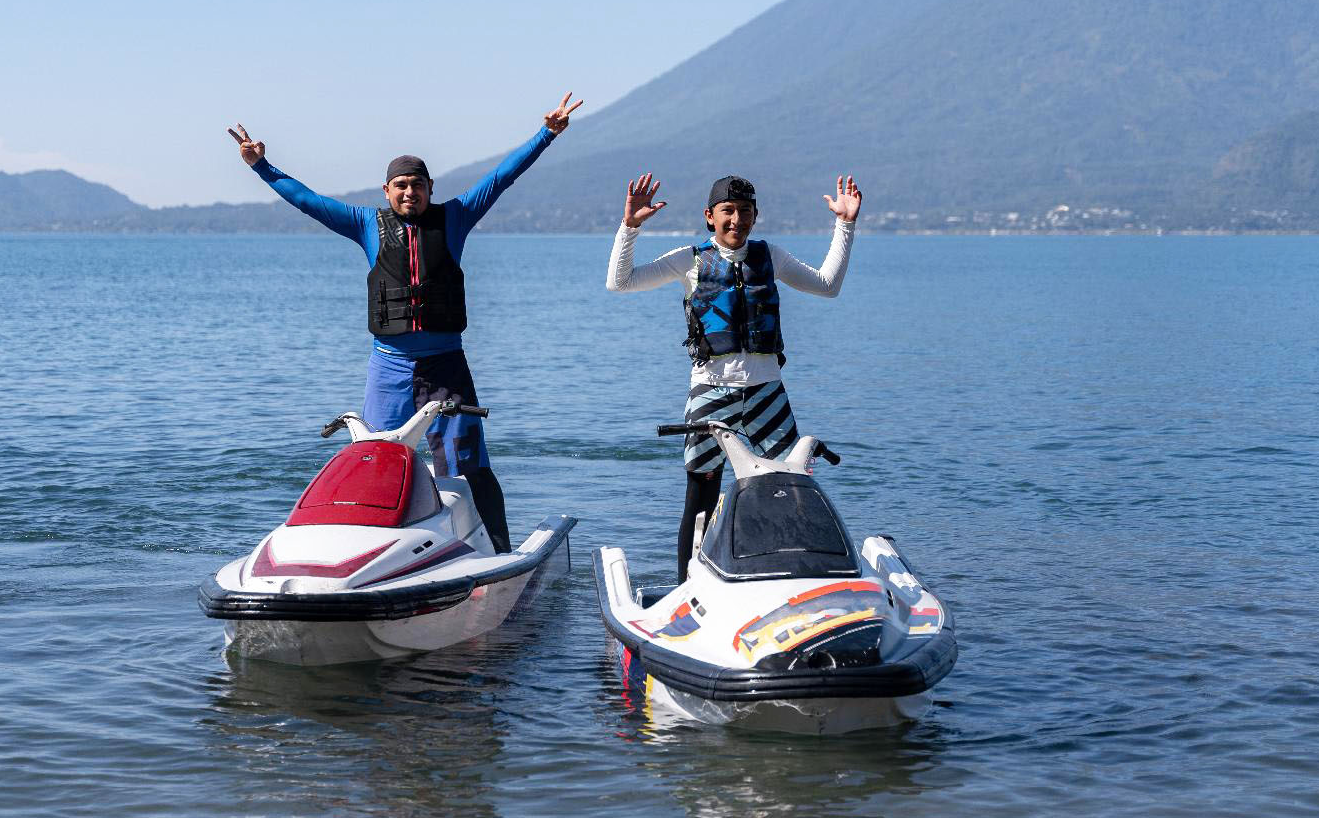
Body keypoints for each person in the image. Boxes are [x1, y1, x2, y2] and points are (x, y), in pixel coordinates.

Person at [228, 92, 581, 553]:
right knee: (373, 463)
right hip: (389, 369)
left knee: (470, 466)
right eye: (400, 185)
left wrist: (546, 134)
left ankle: (501, 557)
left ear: (430, 188)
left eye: (417, 185)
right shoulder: (365, 224)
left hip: (446, 367)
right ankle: (368, 554)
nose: (409, 192)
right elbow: (307, 200)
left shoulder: (455, 218)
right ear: (386, 191)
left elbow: (501, 178)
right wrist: (261, 166)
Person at [605, 171, 861, 581]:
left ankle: (787, 579)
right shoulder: (689, 260)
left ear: (755, 216)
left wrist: (845, 224)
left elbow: (827, 285)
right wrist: (630, 227)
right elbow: (620, 283)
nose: (736, 220)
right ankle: (688, 586)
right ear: (710, 216)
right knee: (702, 497)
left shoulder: (770, 256)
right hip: (710, 393)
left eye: (745, 211)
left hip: (767, 393)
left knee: (788, 490)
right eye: (728, 211)